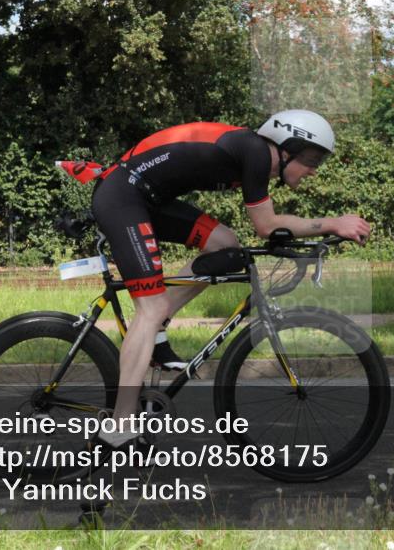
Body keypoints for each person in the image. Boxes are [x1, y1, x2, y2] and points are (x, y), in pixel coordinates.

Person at [89, 109, 371, 446]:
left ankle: (160, 322)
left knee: (225, 244)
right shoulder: (254, 151)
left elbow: (270, 227)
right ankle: (119, 425)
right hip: (124, 197)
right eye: (311, 158)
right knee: (146, 310)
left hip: (147, 197)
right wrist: (333, 223)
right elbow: (267, 227)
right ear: (286, 148)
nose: (313, 169)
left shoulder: (255, 156)